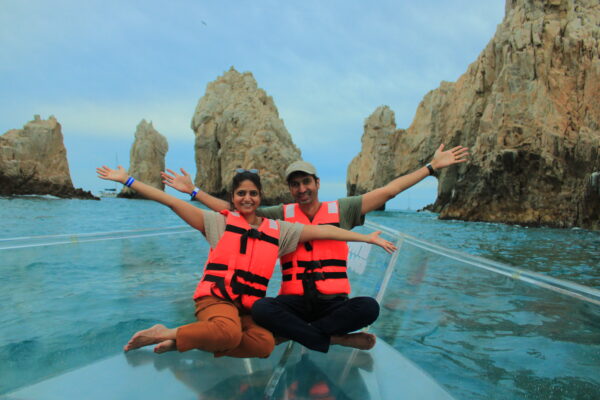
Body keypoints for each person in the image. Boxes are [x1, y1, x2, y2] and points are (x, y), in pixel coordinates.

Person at [162, 144, 469, 352]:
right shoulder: (282, 216)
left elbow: (390, 190)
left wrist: (430, 167)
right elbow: (235, 213)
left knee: (369, 307)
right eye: (295, 184)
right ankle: (333, 339)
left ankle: (299, 332)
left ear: (317, 182)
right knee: (260, 306)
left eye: (306, 182)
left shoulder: (345, 210)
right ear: (290, 189)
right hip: (292, 302)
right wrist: (195, 192)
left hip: (333, 302)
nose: (302, 189)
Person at [97, 166, 396, 358]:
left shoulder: (278, 230)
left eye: (253, 193)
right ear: (233, 198)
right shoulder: (217, 223)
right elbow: (171, 202)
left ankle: (189, 340)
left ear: (260, 198)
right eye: (242, 194)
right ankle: (171, 332)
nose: (248, 198)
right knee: (233, 329)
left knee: (265, 345)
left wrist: (367, 239)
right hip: (216, 300)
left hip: (248, 307)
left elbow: (325, 230)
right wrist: (129, 180)